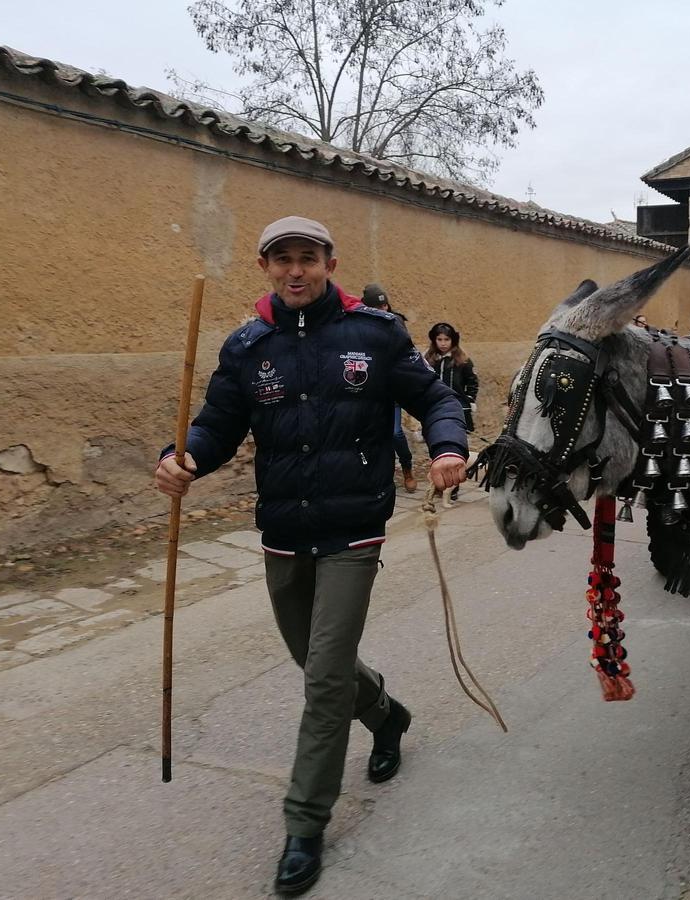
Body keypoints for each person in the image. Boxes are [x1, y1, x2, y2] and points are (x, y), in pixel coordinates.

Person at [154, 216, 468, 896]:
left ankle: (304, 824)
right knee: (314, 659)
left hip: (354, 526)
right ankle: (388, 715)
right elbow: (216, 424)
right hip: (284, 528)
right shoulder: (248, 345)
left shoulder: (375, 334)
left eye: (308, 258)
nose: (295, 270)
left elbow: (435, 396)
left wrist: (447, 445)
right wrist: (181, 458)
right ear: (266, 267)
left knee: (323, 678)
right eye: (282, 260)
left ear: (329, 262)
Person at [362, 283, 417, 493]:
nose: (383, 310)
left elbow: (406, 354)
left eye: (384, 305)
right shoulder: (360, 324)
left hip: (391, 389)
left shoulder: (396, 323)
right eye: (378, 307)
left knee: (395, 434)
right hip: (369, 390)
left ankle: (407, 468)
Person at [426, 322, 479, 500]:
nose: (443, 343)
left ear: (453, 340)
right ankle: (440, 482)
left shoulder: (462, 361)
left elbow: (472, 382)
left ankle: (454, 485)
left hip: (459, 410)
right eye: (439, 339)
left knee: (457, 448)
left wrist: (469, 400)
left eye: (446, 339)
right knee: (436, 447)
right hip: (434, 411)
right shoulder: (429, 361)